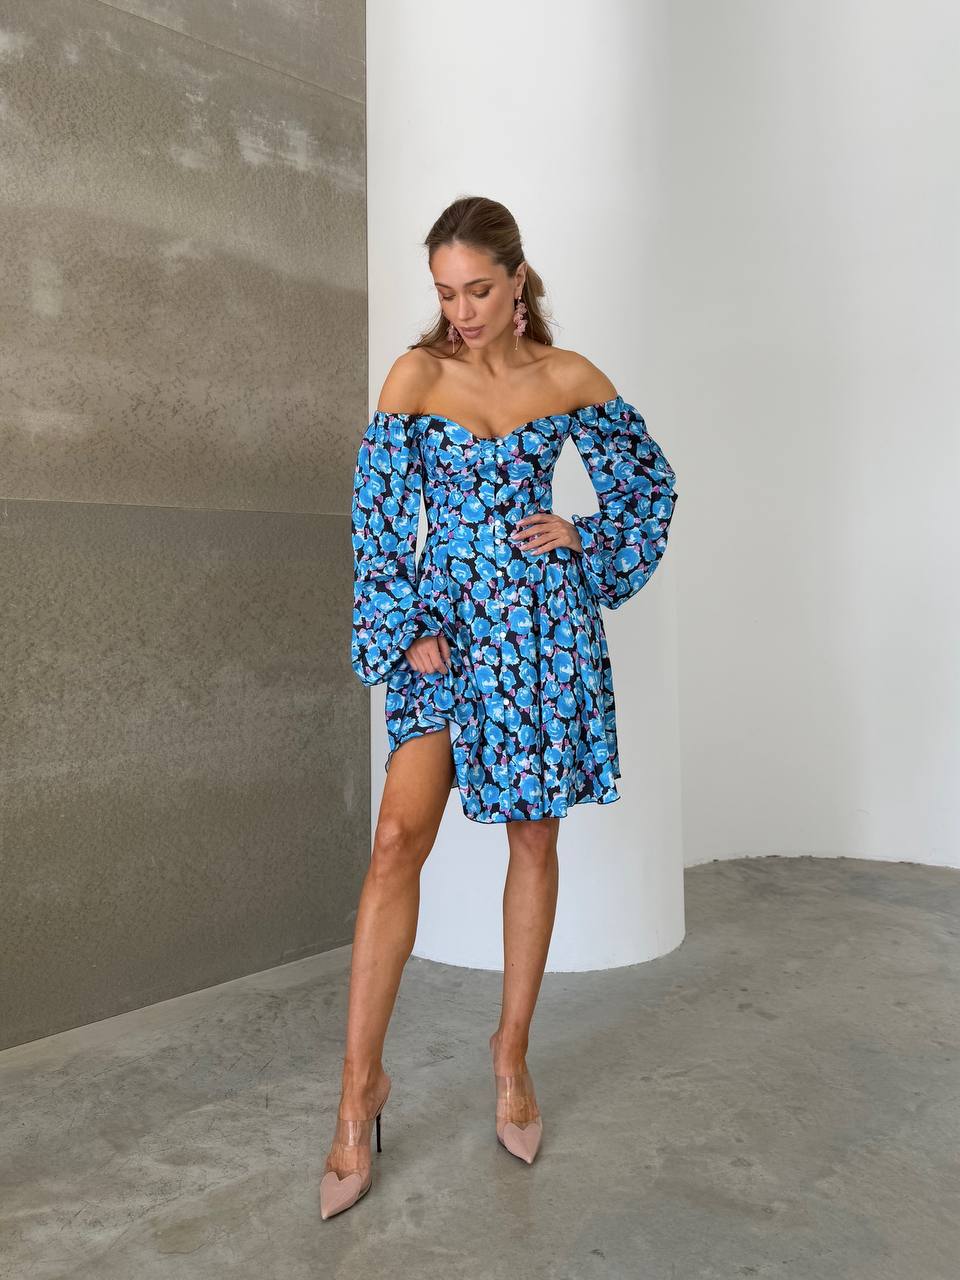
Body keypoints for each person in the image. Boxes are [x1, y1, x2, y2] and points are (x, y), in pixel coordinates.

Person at [320, 195, 679, 1220]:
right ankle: (357, 1094)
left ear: (519, 280)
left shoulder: (567, 379)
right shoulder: (415, 377)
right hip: (444, 629)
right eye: (444, 291)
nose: (461, 309)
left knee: (534, 840)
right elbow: (379, 523)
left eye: (478, 288)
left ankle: (511, 1056)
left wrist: (579, 536)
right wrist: (403, 628)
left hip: (537, 635)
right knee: (396, 839)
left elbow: (646, 490)